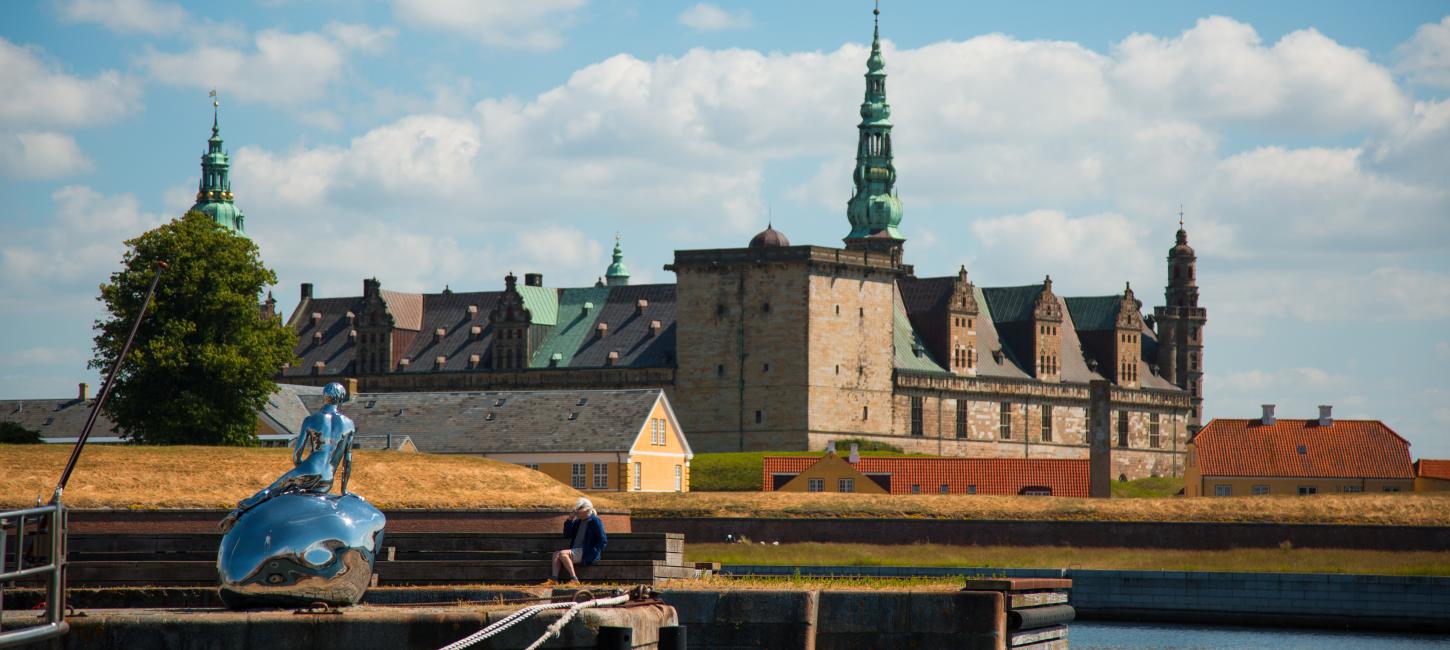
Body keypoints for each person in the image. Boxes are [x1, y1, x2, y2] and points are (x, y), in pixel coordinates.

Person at [551, 497, 607, 583]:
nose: (576, 512)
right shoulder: (578, 522)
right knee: (556, 554)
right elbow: (567, 534)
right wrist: (569, 520)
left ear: (586, 510)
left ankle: (574, 579)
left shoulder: (595, 521)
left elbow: (602, 539)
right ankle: (554, 579)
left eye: (578, 510)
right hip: (576, 551)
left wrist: (594, 552)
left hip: (586, 551)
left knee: (563, 553)